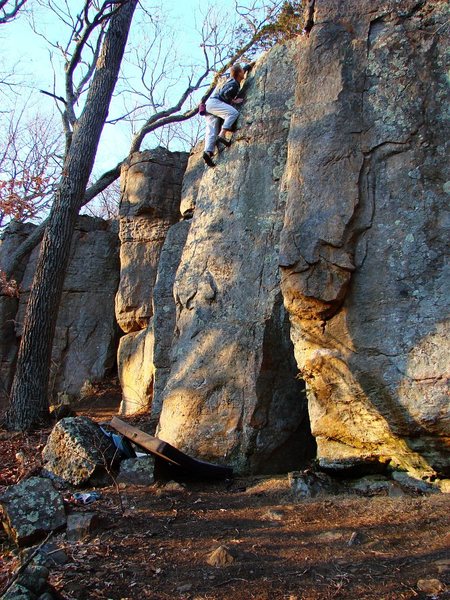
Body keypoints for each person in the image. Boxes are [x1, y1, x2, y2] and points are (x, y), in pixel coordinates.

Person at [203, 64, 246, 167]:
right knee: (233, 113)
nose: (243, 72)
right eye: (242, 71)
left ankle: (207, 153)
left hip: (209, 106)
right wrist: (233, 100)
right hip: (215, 103)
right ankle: (222, 135)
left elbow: (240, 70)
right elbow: (225, 93)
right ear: (239, 73)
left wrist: (249, 66)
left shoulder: (232, 79)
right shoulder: (234, 83)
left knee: (211, 131)